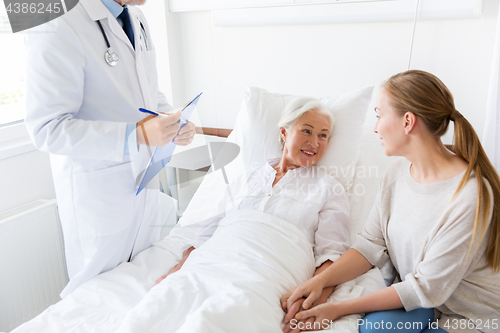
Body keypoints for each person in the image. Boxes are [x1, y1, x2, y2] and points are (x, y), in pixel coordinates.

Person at [281, 70, 500, 333]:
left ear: (407, 122)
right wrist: (318, 283)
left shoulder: (469, 197)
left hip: (470, 318)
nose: (375, 127)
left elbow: (425, 288)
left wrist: (336, 309)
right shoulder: (396, 174)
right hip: (427, 307)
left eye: (378, 114)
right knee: (373, 329)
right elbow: (370, 244)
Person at [24, 0, 196, 298]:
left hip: (142, 183)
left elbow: (147, 90)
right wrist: (137, 135)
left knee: (143, 286)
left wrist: (172, 119)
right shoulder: (51, 17)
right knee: (96, 300)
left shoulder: (136, 17)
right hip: (98, 196)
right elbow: (47, 128)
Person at [154, 97, 351, 330]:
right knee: (166, 307)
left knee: (232, 314)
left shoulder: (329, 188)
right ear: (284, 133)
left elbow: (332, 255)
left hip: (269, 272)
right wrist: (179, 269)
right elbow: (208, 233)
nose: (314, 143)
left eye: (323, 135)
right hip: (215, 260)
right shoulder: (247, 177)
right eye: (306, 131)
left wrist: (314, 301)